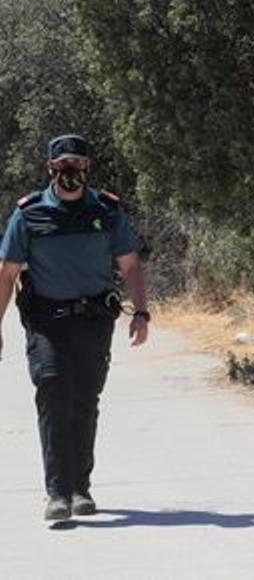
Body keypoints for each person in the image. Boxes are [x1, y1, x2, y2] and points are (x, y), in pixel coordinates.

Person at [0, 134, 150, 521]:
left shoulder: (106, 211)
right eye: (63, 164)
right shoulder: (29, 213)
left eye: (77, 164)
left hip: (94, 321)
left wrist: (141, 313)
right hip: (45, 321)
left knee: (84, 400)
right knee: (52, 391)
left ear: (87, 168)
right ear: (50, 168)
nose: (70, 171)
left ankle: (80, 487)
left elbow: (130, 265)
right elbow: (7, 274)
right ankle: (57, 492)